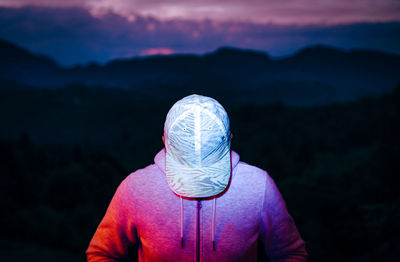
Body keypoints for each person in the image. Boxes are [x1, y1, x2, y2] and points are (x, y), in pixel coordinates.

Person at [86, 94, 308, 262]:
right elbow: (101, 253)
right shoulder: (136, 188)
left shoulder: (259, 186)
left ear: (165, 139)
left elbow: (291, 253)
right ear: (230, 139)